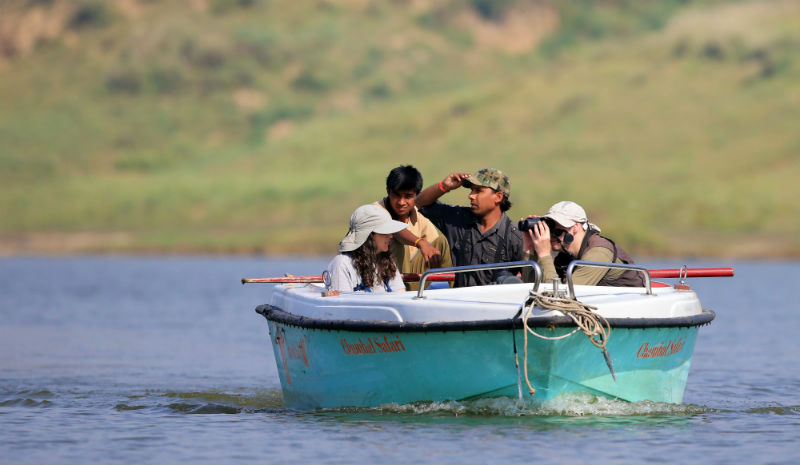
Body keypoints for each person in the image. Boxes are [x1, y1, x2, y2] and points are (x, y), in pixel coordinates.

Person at [415, 168, 524, 287]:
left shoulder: (515, 236)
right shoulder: (459, 219)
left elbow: (532, 280)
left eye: (478, 191)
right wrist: (444, 186)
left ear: (498, 197)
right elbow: (420, 203)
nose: (471, 196)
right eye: (472, 190)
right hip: (461, 303)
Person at [521, 200, 645, 287]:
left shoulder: (599, 253)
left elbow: (561, 299)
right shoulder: (565, 256)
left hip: (630, 311)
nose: (552, 234)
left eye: (558, 231)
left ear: (575, 227)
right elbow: (533, 289)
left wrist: (544, 254)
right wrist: (530, 249)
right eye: (550, 228)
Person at [375, 165, 453, 290]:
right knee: (401, 244)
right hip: (379, 280)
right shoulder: (376, 210)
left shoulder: (420, 216)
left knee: (445, 242)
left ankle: (458, 291)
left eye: (408, 196)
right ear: (388, 191)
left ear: (417, 195)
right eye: (396, 195)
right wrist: (420, 242)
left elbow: (433, 247)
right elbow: (396, 230)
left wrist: (434, 256)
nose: (401, 202)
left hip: (409, 280)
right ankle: (401, 291)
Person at [326, 204, 408, 293]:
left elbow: (400, 293)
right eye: (385, 232)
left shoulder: (387, 261)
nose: (391, 236)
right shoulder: (342, 264)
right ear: (369, 235)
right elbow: (341, 304)